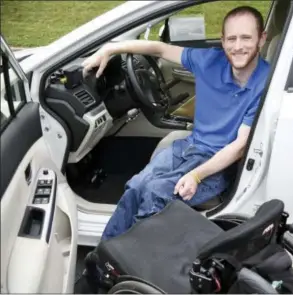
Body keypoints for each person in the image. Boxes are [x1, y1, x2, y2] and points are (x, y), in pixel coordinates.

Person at [82, 6, 270, 241]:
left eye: (246, 38)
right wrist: (112, 47)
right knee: (136, 186)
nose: (238, 46)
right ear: (222, 41)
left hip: (218, 165)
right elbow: (159, 48)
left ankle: (133, 259)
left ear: (261, 39)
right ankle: (105, 255)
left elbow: (241, 145)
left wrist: (197, 176)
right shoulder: (209, 60)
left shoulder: (266, 82)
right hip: (190, 147)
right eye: (231, 38)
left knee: (154, 193)